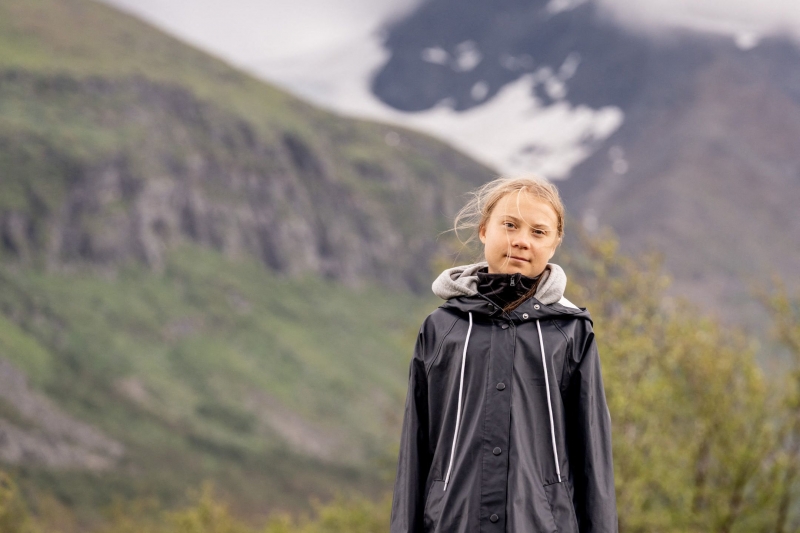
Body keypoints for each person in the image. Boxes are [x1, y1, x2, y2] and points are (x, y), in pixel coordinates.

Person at [390, 177, 617, 533]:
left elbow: (594, 460)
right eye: (509, 225)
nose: (521, 240)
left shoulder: (571, 332)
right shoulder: (441, 328)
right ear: (484, 230)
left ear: (555, 244)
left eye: (538, 232)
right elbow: (415, 450)